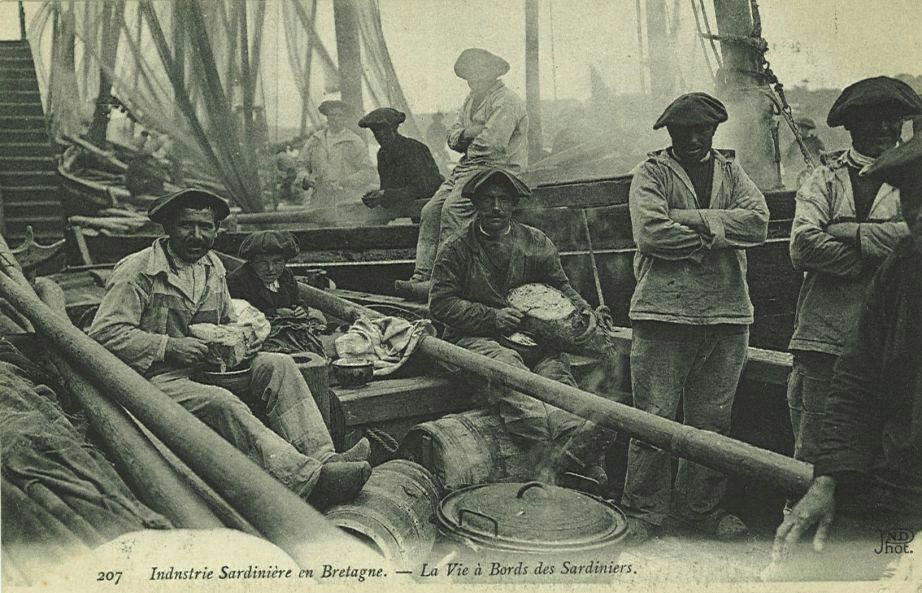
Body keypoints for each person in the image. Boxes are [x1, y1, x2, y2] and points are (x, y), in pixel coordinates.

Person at [88, 189, 370, 508]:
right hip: (154, 379)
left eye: (206, 227)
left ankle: (325, 457)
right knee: (221, 401)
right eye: (186, 226)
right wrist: (168, 346)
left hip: (208, 369)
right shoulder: (138, 270)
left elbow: (226, 322)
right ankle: (304, 481)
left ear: (216, 230)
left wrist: (242, 339)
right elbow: (104, 334)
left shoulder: (212, 268)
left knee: (279, 364)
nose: (197, 235)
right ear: (167, 227)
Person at [771, 140, 922, 582]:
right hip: (902, 484)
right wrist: (831, 477)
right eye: (911, 198)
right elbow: (857, 381)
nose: (918, 213)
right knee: (801, 566)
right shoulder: (900, 270)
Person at [622, 92, 770, 543]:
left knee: (712, 422)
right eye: (681, 130)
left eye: (700, 130)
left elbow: (759, 224)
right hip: (662, 312)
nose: (690, 137)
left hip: (727, 313)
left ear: (713, 131)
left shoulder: (731, 171)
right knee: (653, 419)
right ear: (669, 133)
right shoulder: (651, 173)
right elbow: (651, 234)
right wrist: (720, 233)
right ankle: (643, 511)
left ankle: (699, 511)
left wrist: (691, 220)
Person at [429, 168, 614, 486]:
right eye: (488, 200)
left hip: (534, 337)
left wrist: (583, 313)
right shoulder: (456, 248)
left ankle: (577, 452)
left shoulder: (534, 241)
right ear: (475, 205)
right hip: (476, 338)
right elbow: (441, 304)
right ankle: (556, 457)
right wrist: (491, 317)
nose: (496, 208)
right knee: (509, 371)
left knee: (555, 374)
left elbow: (561, 287)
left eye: (503, 200)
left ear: (514, 204)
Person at [786, 77, 921, 475]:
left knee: (894, 460)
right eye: (872, 120)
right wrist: (889, 255)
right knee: (815, 455)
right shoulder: (822, 178)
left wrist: (847, 231)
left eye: (892, 120)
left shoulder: (915, 174)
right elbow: (803, 246)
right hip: (826, 338)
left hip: (900, 344)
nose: (883, 129)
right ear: (851, 126)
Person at [397, 48, 528, 299]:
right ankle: (422, 274)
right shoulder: (470, 100)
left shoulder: (507, 101)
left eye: (478, 75)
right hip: (470, 165)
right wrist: (470, 132)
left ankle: (444, 279)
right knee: (430, 211)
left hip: (499, 168)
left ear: (491, 74)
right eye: (469, 76)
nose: (473, 81)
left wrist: (466, 136)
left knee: (453, 209)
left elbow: (492, 143)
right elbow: (452, 138)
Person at [228, 229, 346, 451]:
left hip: (287, 331)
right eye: (263, 263)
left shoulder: (286, 278)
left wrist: (300, 310)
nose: (271, 269)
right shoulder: (238, 281)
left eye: (277, 262)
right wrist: (274, 315)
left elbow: (297, 302)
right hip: (260, 340)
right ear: (252, 262)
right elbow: (239, 316)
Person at [358, 107, 444, 223]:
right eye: (376, 132)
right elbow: (390, 190)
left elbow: (423, 189)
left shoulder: (414, 149)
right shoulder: (383, 154)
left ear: (394, 128)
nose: (380, 135)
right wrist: (377, 197)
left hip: (432, 211)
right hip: (414, 211)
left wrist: (385, 194)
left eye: (385, 130)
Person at [296, 100, 377, 209]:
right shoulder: (316, 139)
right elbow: (301, 165)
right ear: (327, 117)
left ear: (346, 118)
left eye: (340, 115)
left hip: (347, 201)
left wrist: (345, 181)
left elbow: (369, 171)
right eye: (332, 115)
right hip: (319, 200)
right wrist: (305, 178)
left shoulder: (353, 141)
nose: (336, 119)